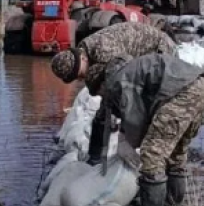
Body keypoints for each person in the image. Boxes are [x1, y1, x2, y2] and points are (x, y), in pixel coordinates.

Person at [98, 53, 204, 206]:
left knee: (152, 153)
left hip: (183, 93)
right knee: (176, 153)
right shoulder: (134, 69)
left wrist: (127, 141)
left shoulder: (119, 80)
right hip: (201, 87)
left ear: (103, 82)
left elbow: (135, 117)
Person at [50, 21, 176, 165]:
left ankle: (156, 162)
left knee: (151, 110)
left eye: (79, 74)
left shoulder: (104, 50)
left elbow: (127, 89)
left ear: (82, 58)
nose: (81, 79)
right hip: (139, 59)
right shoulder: (88, 51)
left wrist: (124, 135)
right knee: (103, 113)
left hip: (160, 53)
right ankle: (94, 159)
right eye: (76, 78)